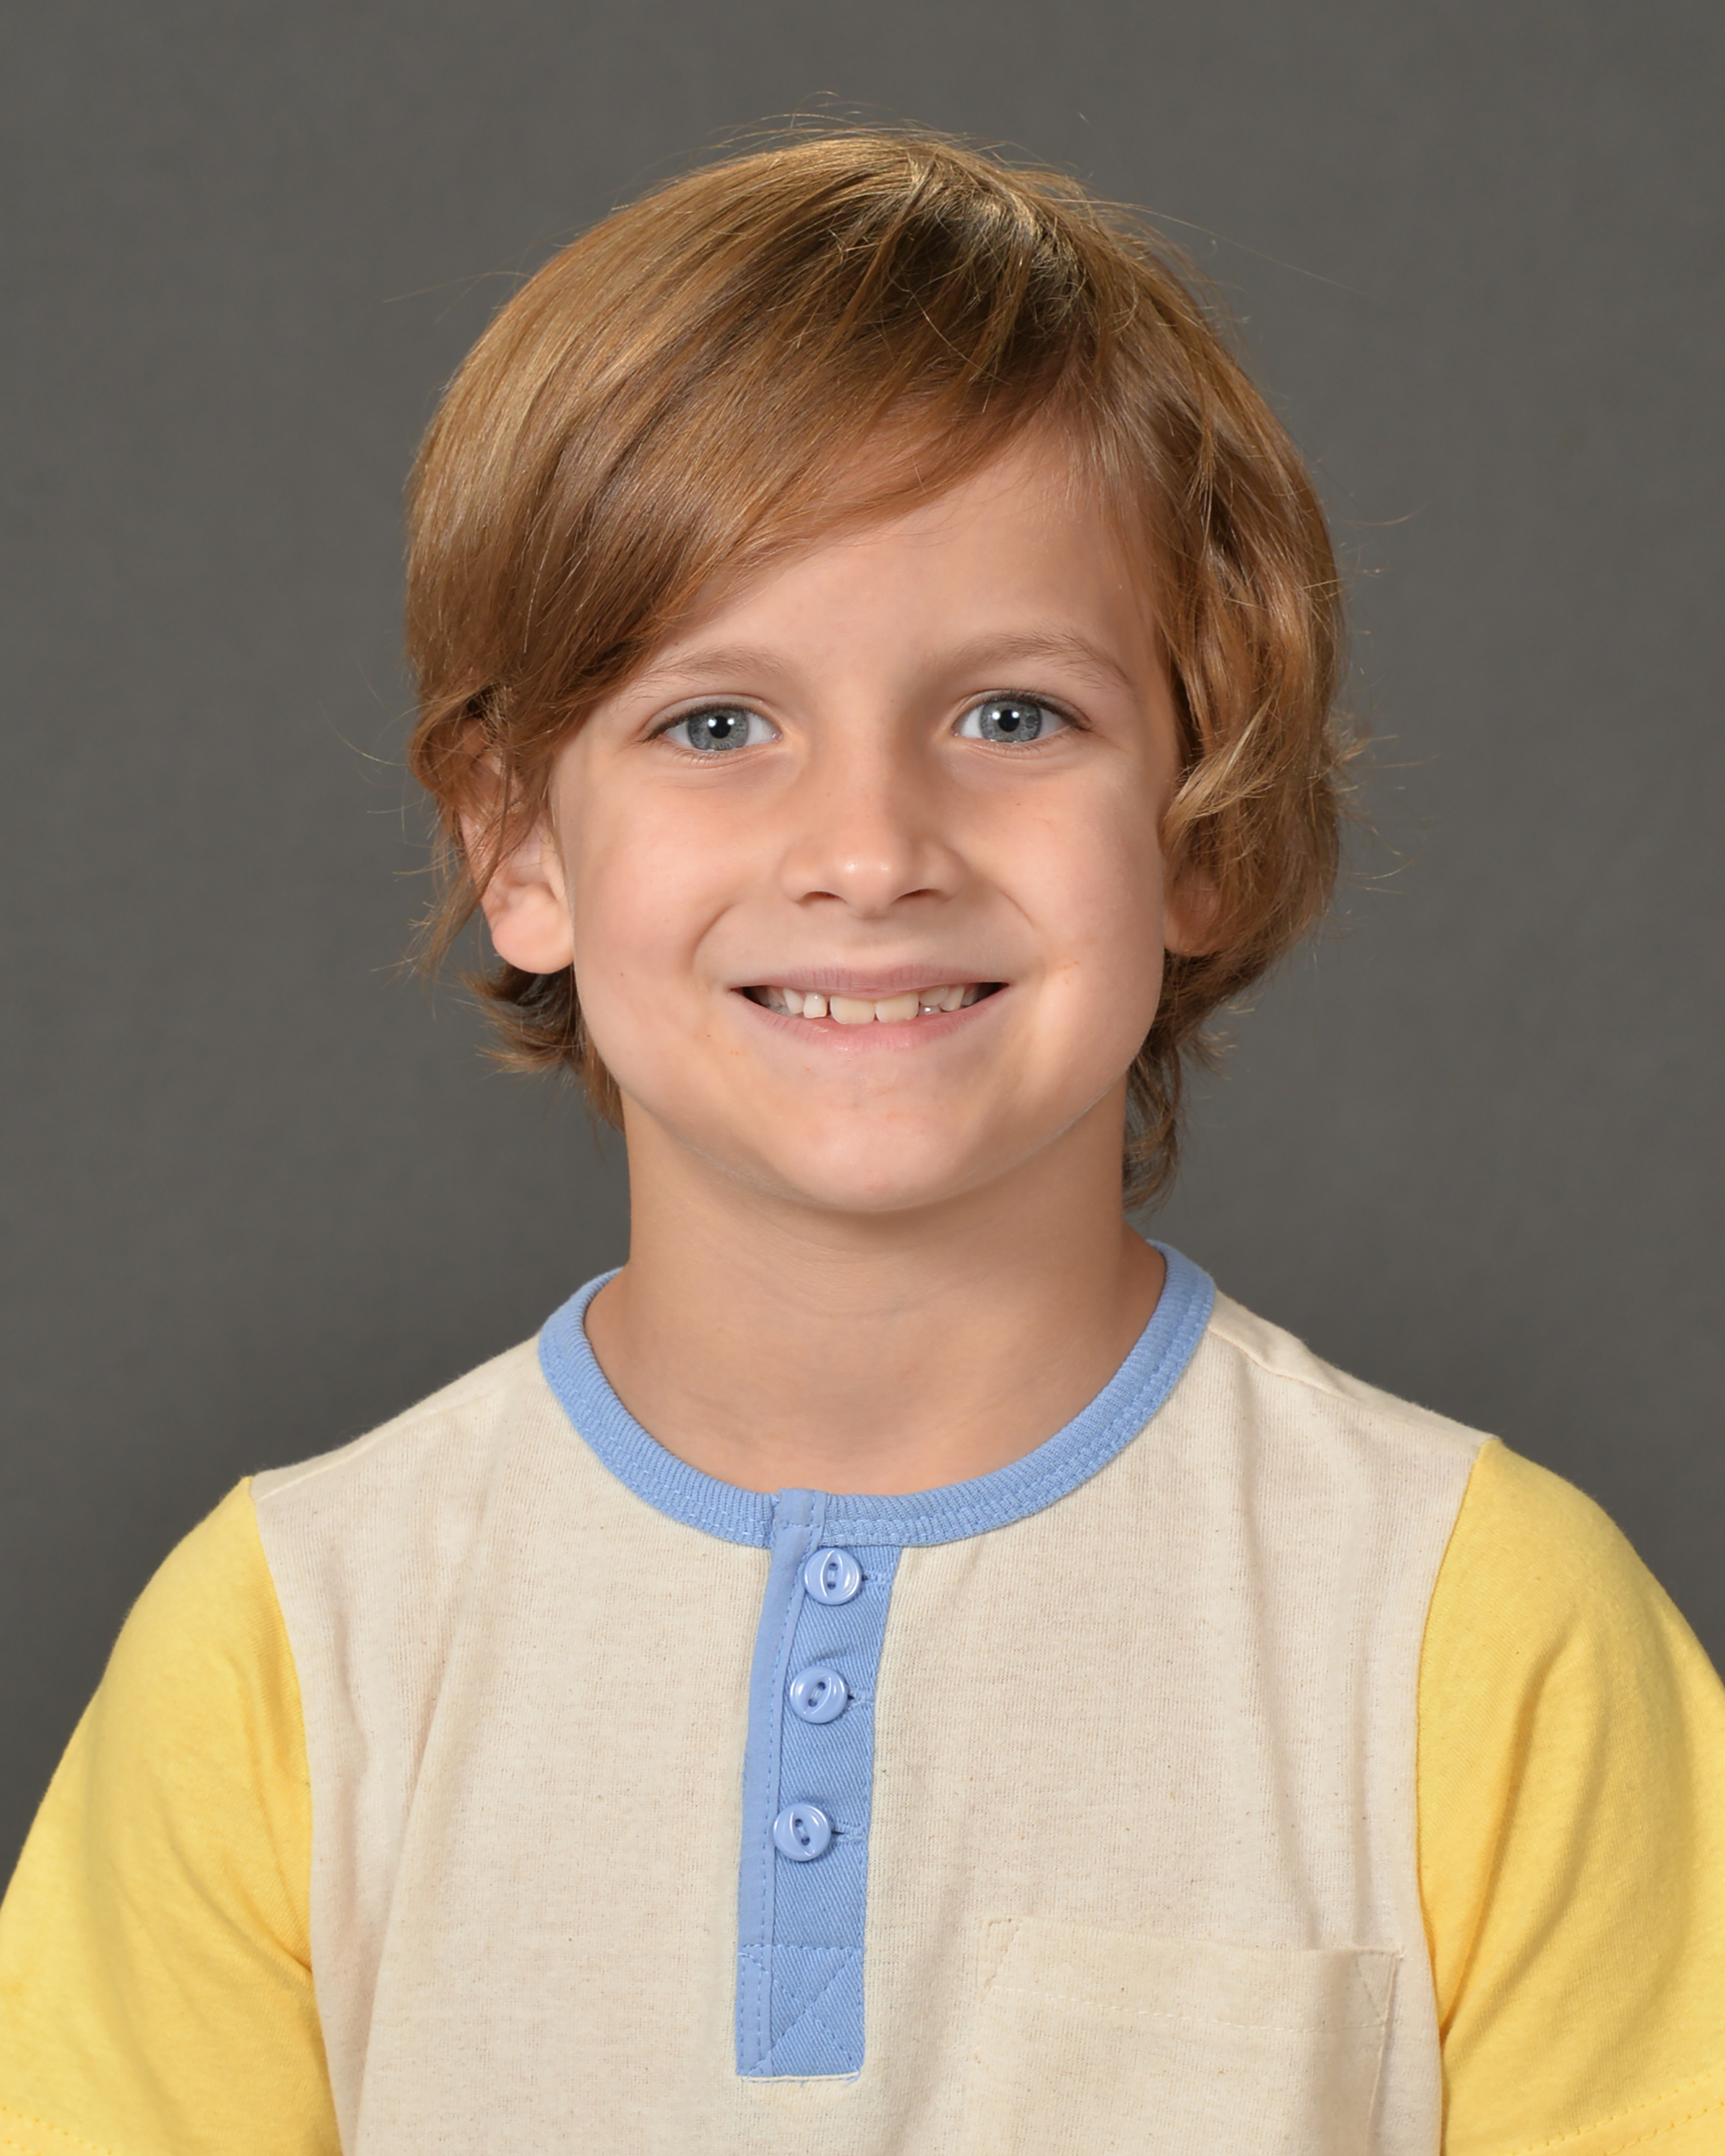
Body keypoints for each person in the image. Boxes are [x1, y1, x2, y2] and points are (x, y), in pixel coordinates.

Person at [2, 130, 1721, 2156]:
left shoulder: (1487, 1633)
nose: (871, 850)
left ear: (1202, 819)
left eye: (1013, 716)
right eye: (716, 723)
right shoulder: (285, 1651)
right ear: (518, 843)